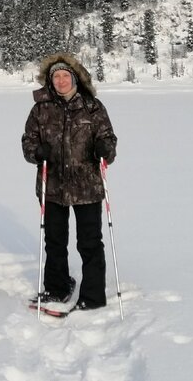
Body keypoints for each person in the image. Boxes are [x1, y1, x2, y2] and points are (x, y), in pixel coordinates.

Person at [21, 52, 117, 311]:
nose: (61, 81)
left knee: (89, 242)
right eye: (56, 77)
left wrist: (103, 148)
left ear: (75, 78)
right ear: (50, 81)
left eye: (65, 75)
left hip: (86, 185)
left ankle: (93, 295)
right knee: (54, 240)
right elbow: (27, 142)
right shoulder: (40, 108)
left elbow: (110, 140)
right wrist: (37, 152)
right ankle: (57, 287)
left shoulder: (92, 106)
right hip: (52, 185)